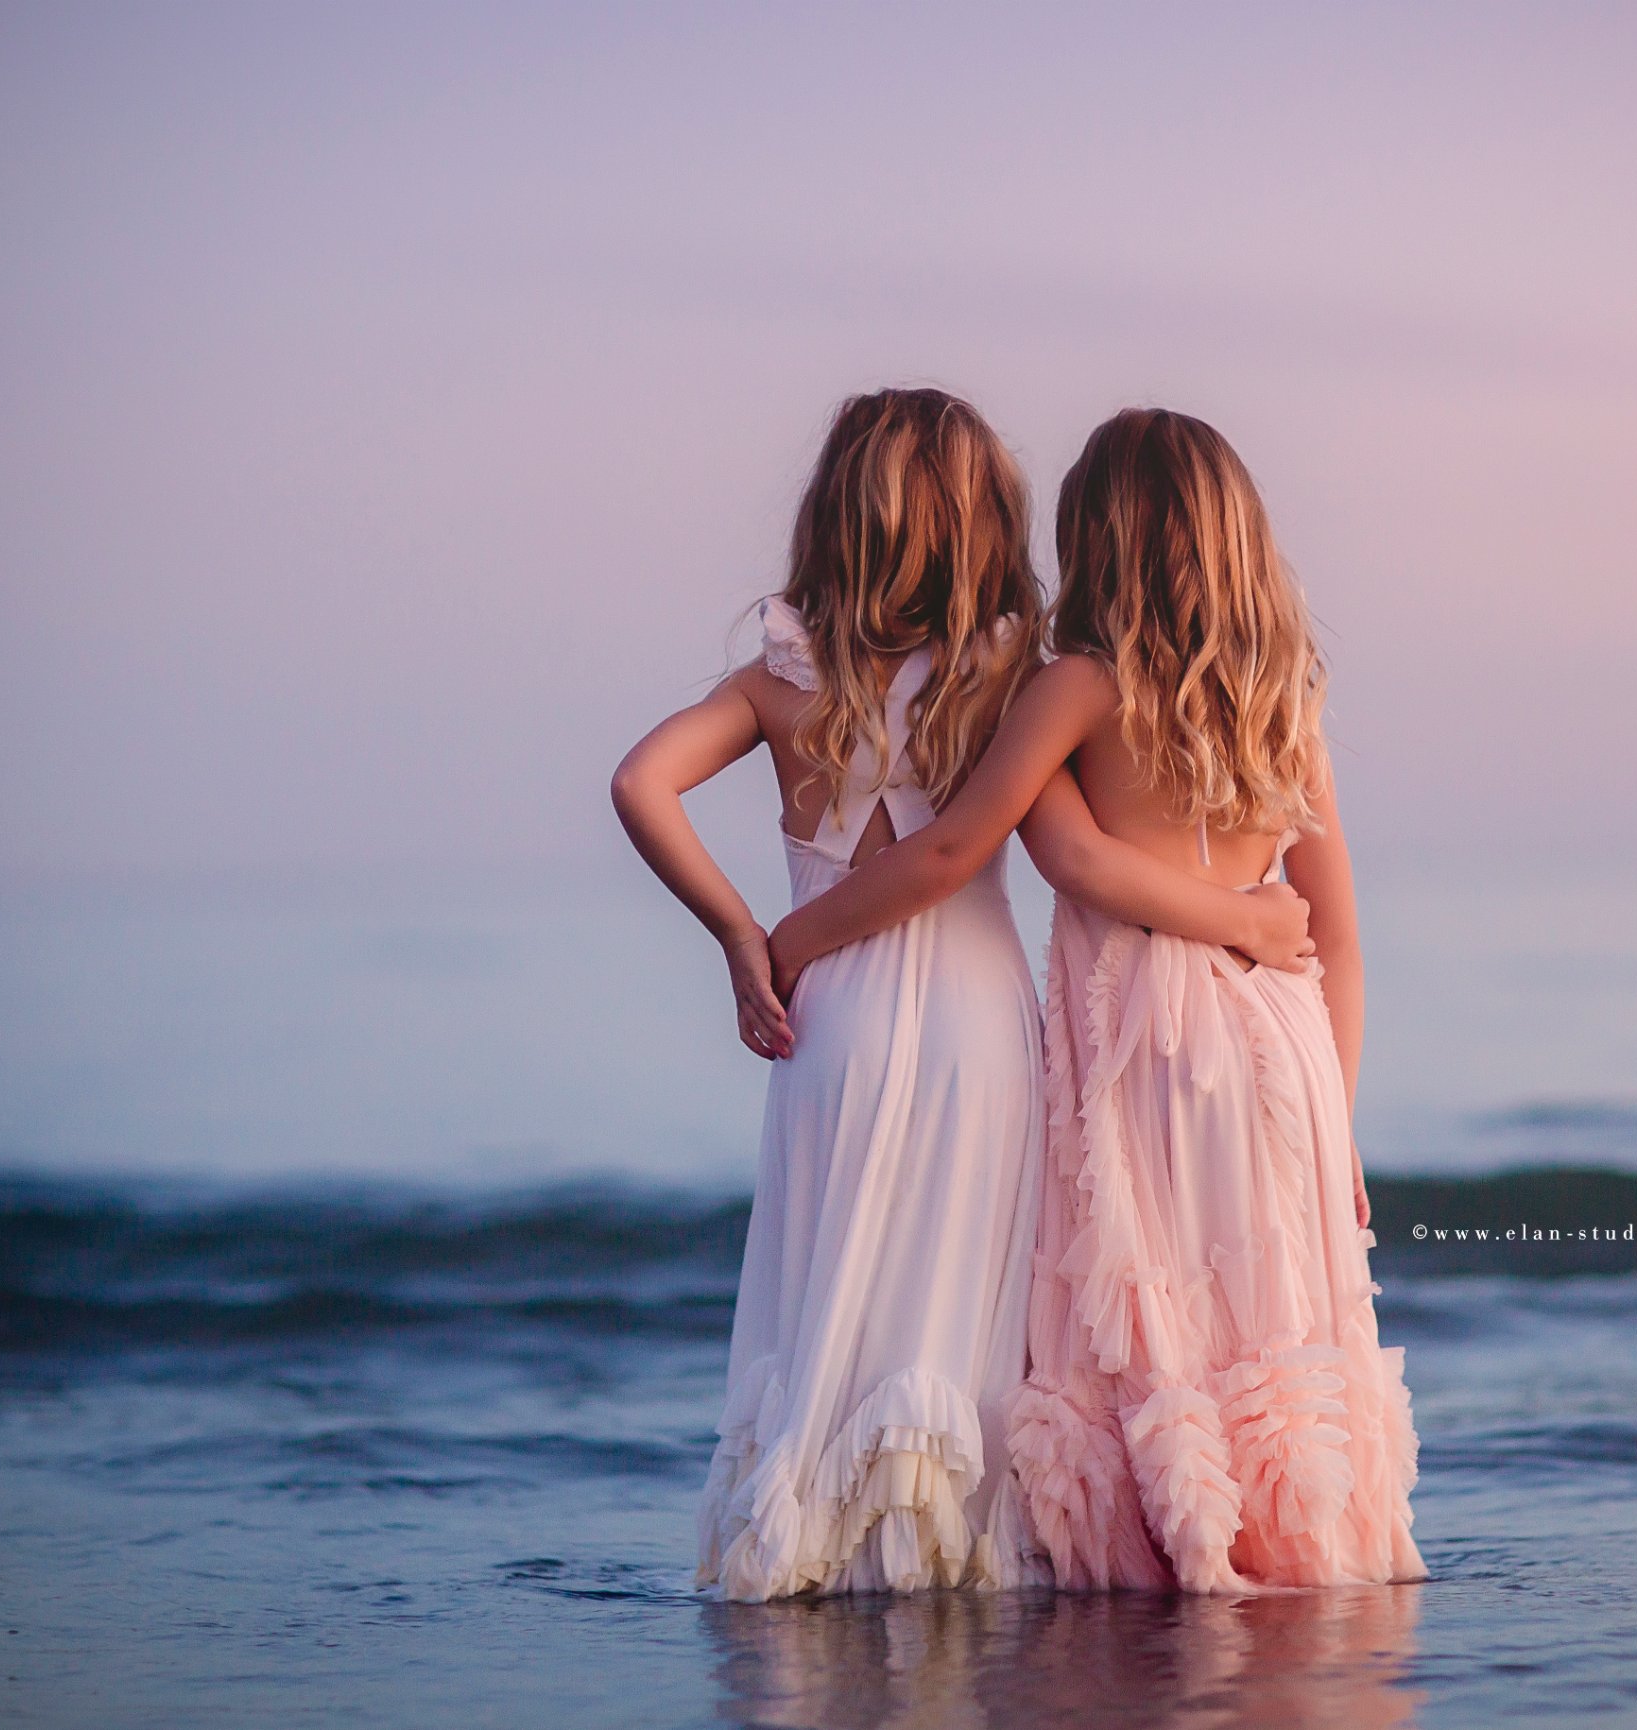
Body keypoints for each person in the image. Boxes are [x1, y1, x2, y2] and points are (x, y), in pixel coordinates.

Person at [611, 390, 1311, 1600]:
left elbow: (639, 782)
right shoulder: (1002, 679)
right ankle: (950, 1563)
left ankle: (815, 1548)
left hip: (830, 1018)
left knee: (832, 1280)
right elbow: (1027, 852)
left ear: (835, 512)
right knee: (962, 1300)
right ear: (981, 521)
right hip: (977, 1028)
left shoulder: (782, 681)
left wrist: (745, 935)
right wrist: (1242, 912)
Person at [770, 407, 1425, 1591]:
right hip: (1286, 1044)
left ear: (1098, 540)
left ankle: (1171, 1566)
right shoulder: (1289, 701)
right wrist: (1340, 1117)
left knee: (1150, 1318)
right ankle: (1301, 1568)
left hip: (1146, 1036)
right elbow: (1339, 938)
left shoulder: (1077, 685)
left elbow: (1039, 854)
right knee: (1275, 1322)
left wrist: (788, 939)